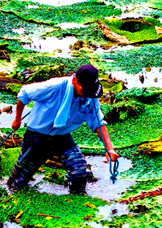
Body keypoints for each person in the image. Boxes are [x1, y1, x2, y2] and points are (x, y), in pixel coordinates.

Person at [7, 64, 119, 195]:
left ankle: (77, 198)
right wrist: (17, 119)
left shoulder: (91, 97)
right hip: (37, 136)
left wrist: (109, 148)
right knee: (18, 182)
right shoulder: (54, 87)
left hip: (62, 136)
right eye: (85, 90)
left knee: (80, 172)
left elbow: (98, 122)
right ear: (75, 81)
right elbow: (24, 93)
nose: (86, 95)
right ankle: (12, 197)